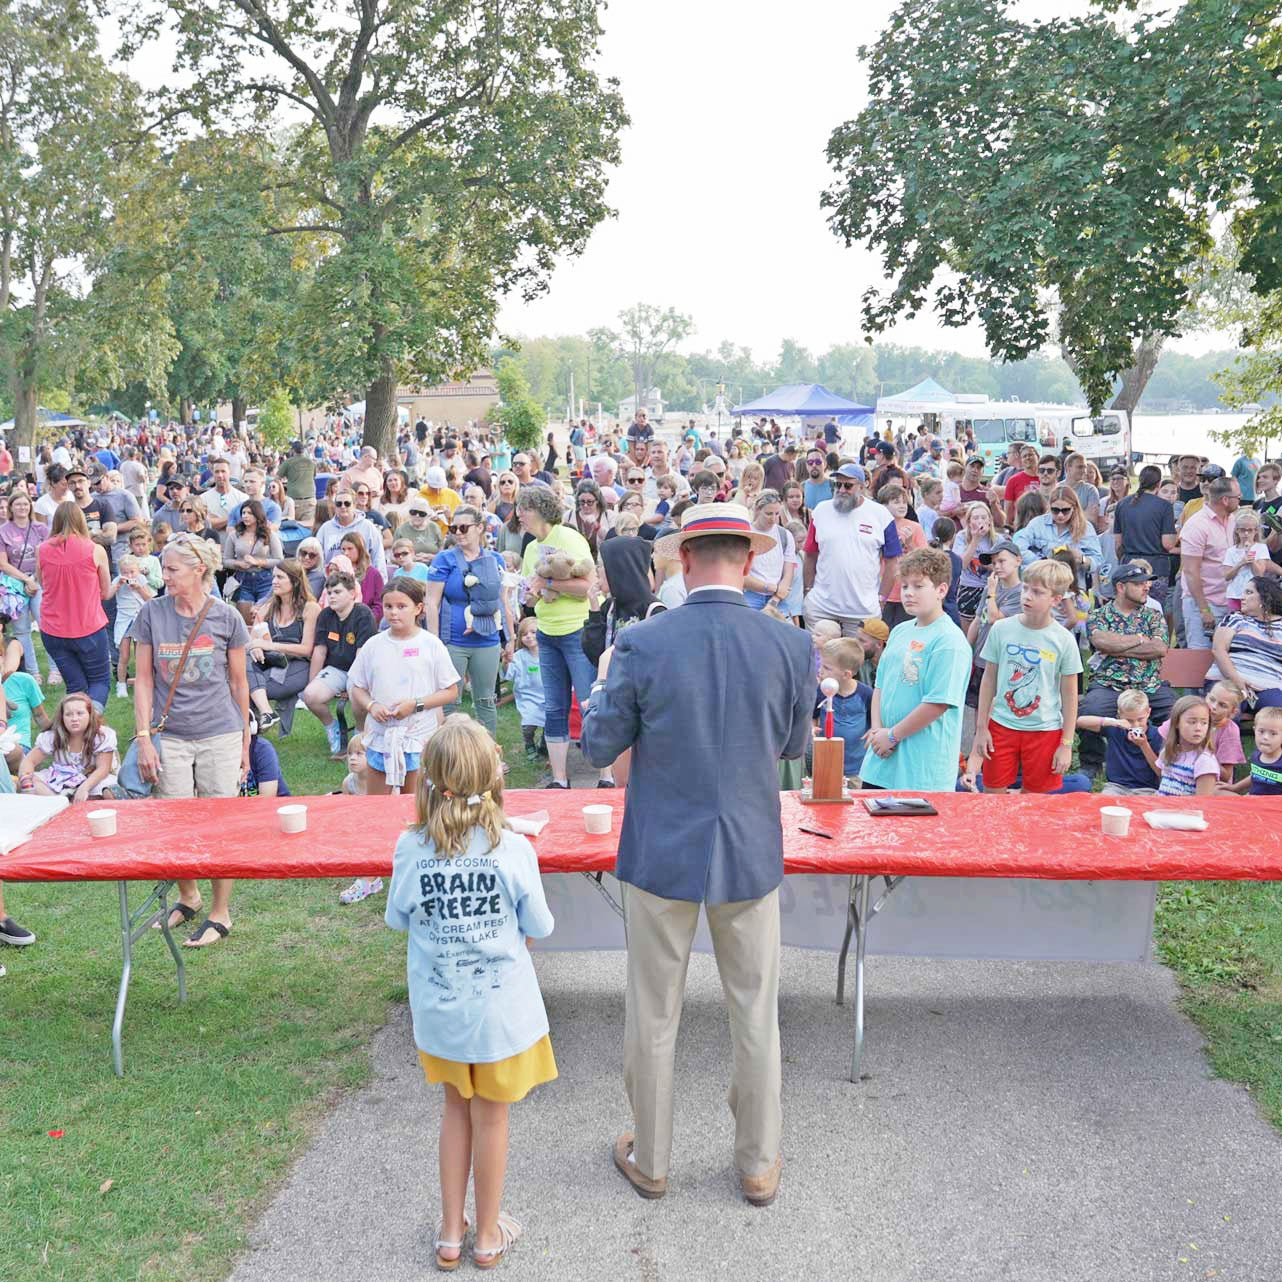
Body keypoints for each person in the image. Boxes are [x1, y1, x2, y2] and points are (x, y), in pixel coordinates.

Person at [580, 501, 813, 1208]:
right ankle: (758, 1162)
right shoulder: (790, 644)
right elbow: (795, 748)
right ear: (748, 561)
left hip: (663, 845)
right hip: (748, 846)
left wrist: (602, 685)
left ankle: (652, 1160)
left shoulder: (646, 642)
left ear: (684, 559)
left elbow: (599, 745)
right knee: (755, 1010)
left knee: (653, 1011)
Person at [385, 715, 554, 1269]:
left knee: (454, 1111)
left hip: (441, 1013)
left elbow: (398, 920)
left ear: (429, 780)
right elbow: (542, 925)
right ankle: (486, 1235)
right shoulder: (512, 850)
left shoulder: (411, 848)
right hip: (499, 1016)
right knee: (492, 1118)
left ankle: (450, 1234)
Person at [133, 534, 251, 948]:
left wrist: (244, 743)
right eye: (163, 568)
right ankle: (189, 895)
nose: (163, 576)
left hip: (221, 731)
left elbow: (240, 684)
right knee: (174, 823)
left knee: (221, 824)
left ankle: (221, 912)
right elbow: (142, 679)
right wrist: (144, 736)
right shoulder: (151, 613)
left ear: (199, 569)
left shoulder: (227, 617)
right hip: (171, 735)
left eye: (171, 569)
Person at [861, 547, 972, 793]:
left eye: (919, 586)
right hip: (881, 762)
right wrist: (879, 729)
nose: (909, 593)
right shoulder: (900, 630)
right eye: (905, 586)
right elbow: (881, 684)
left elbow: (938, 703)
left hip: (921, 769)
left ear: (941, 590)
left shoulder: (949, 641)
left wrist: (893, 735)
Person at [965, 560, 1082, 793]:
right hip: (1001, 724)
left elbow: (1070, 696)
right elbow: (988, 680)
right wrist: (981, 728)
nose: (1027, 596)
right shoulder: (1001, 629)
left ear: (1055, 600)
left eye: (1037, 592)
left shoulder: (1063, 640)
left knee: (1035, 803)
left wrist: (1066, 744)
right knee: (993, 793)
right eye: (1025, 588)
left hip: (1044, 729)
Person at [347, 576, 461, 794]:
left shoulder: (431, 645)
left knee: (414, 802)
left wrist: (415, 704)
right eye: (388, 606)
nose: (393, 612)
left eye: (401, 606)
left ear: (418, 608)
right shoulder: (374, 645)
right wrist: (371, 706)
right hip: (381, 735)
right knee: (377, 803)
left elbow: (450, 691)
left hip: (417, 736)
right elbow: (357, 686)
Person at [516, 485, 596, 789]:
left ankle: (606, 775)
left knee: (591, 704)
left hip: (577, 631)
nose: (520, 515)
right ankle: (560, 780)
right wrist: (529, 594)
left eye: (525, 508)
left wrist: (548, 581)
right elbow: (531, 596)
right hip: (547, 633)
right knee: (554, 707)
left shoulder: (570, 538)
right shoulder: (530, 547)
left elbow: (585, 586)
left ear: (541, 510)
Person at [1077, 563, 1176, 771]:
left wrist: (1117, 648)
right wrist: (1140, 639)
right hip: (1108, 684)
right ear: (1121, 587)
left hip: (1149, 685)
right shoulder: (1099, 615)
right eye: (1139, 583)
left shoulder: (1153, 615)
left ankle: (1170, 763)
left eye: (1147, 582)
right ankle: (1091, 764)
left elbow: (1159, 648)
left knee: (1175, 714)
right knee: (1091, 709)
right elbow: (1102, 642)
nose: (1147, 587)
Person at [425, 505, 510, 738]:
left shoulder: (495, 559)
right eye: (454, 528)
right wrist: (434, 642)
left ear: (480, 528)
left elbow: (502, 602)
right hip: (452, 640)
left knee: (485, 700)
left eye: (464, 527)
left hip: (487, 638)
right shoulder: (444, 559)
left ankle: (488, 755)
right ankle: (447, 755)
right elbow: (431, 602)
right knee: (449, 699)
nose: (458, 532)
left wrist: (508, 639)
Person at [802, 464, 902, 636]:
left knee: (856, 661)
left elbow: (893, 562)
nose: (841, 490)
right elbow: (810, 554)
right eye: (837, 485)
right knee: (819, 659)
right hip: (821, 607)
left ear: (862, 488)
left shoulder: (881, 515)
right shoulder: (820, 511)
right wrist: (808, 592)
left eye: (848, 485)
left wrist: (881, 598)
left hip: (862, 610)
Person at [36, 502, 111, 709]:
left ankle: (75, 730)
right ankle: (90, 726)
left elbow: (43, 583)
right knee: (99, 681)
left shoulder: (41, 550)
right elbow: (105, 592)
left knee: (75, 685)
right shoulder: (95, 550)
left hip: (53, 630)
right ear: (81, 520)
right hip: (88, 628)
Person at [303, 571, 377, 757]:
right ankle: (333, 728)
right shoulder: (326, 615)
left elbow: (362, 658)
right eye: (329, 593)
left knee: (358, 697)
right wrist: (311, 682)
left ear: (352, 593)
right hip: (336, 669)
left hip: (360, 670)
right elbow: (320, 650)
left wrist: (351, 685)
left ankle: (360, 735)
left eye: (337, 592)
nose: (332, 596)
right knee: (311, 695)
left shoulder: (363, 614)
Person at [246, 561, 318, 735]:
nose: (274, 582)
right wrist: (254, 647)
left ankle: (257, 724)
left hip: (298, 665)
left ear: (294, 581)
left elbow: (307, 649)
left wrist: (269, 645)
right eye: (273, 577)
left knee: (249, 689)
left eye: (280, 577)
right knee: (243, 662)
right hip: (270, 661)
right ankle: (265, 715)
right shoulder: (268, 607)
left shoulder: (310, 609)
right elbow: (252, 639)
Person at [18, 691, 116, 800]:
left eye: (80, 713)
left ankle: (73, 804)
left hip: (91, 780)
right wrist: (26, 781)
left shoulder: (101, 736)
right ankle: (60, 803)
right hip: (59, 778)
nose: (74, 718)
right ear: (62, 717)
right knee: (30, 781)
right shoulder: (52, 736)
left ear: (90, 714)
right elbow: (29, 761)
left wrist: (84, 788)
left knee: (108, 791)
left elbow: (103, 768)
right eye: (68, 714)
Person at [1179, 476, 1240, 647]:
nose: (1240, 502)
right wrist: (1204, 610)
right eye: (1238, 498)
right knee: (1200, 659)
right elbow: (1191, 571)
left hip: (1228, 602)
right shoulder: (1197, 525)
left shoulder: (1233, 521)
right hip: (1203, 604)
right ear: (1225, 500)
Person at [1207, 576, 1282, 709]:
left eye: (1249, 592)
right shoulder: (1235, 618)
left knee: (1278, 713)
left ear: (1265, 598)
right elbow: (1218, 650)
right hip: (1228, 682)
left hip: (1268, 687)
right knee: (1223, 711)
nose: (1242, 598)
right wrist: (1237, 681)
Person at [1111, 465, 1177, 603]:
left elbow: (1118, 543)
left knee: (1129, 610)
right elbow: (1168, 544)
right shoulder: (1164, 506)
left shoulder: (1122, 504)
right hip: (1157, 568)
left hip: (1129, 566)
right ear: (1158, 484)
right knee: (1155, 612)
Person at [1077, 690, 1163, 796]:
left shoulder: (1158, 735)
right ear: (1119, 714)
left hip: (1147, 789)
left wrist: (1144, 745)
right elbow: (1081, 721)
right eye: (1129, 720)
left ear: (1148, 712)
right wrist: (1113, 722)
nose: (1135, 725)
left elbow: (1160, 771)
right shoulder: (1115, 729)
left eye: (1140, 719)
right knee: (1102, 805)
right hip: (1116, 787)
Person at [0, 490, 47, 676]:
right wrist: (26, 579)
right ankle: (33, 672)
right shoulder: (3, 531)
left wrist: (34, 579)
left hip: (39, 581)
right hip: (15, 585)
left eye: (25, 504)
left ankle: (55, 670)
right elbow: (3, 563)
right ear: (11, 507)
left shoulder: (40, 528)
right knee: (22, 630)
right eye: (18, 504)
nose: (22, 507)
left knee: (46, 626)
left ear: (30, 506)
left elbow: (47, 556)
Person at [1136, 694, 1218, 796]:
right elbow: (1163, 775)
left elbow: (1202, 802)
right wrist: (1144, 744)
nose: (1198, 728)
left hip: (1183, 811)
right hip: (1160, 808)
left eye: (1204, 722)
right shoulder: (1170, 751)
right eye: (1192, 722)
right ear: (1177, 723)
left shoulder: (1205, 762)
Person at [817, 637, 872, 780]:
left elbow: (875, 721)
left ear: (846, 674)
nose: (820, 671)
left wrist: (873, 731)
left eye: (827, 668)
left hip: (856, 768)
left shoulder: (865, 694)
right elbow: (812, 716)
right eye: (822, 665)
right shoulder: (820, 691)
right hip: (825, 764)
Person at [105, 551, 157, 699]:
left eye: (132, 572)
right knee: (124, 655)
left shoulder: (140, 579)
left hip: (139, 618)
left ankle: (143, 681)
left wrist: (139, 588)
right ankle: (121, 684)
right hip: (124, 620)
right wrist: (118, 586)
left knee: (141, 654)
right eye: (125, 572)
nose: (129, 575)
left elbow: (150, 599)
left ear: (138, 570)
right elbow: (107, 596)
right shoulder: (117, 581)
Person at [223, 499, 283, 624]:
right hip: (243, 580)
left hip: (265, 580)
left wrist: (258, 562)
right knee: (246, 621)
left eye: (249, 513)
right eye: (243, 512)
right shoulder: (234, 535)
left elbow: (279, 560)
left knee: (263, 620)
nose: (245, 516)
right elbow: (225, 560)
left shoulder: (269, 534)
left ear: (257, 515)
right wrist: (237, 564)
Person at [742, 491, 798, 612]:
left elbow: (788, 573)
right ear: (757, 510)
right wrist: (770, 588)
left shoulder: (785, 535)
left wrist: (775, 598)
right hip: (752, 595)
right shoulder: (746, 534)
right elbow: (741, 575)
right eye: (768, 514)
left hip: (777, 597)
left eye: (777, 514)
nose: (773, 519)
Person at [505, 616, 546, 760]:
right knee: (529, 724)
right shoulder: (518, 656)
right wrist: (506, 662)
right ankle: (529, 743)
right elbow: (508, 675)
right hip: (527, 696)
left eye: (533, 632)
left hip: (546, 696)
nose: (529, 636)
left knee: (550, 724)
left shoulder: (548, 655)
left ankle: (544, 744)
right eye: (524, 634)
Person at [1220, 704, 1282, 795]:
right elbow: (1254, 776)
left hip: (1273, 806)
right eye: (1261, 731)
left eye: (1273, 734)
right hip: (1253, 800)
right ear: (1254, 730)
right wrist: (1234, 787)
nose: (1265, 737)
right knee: (1215, 792)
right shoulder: (1257, 755)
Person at [1223, 511, 1272, 611]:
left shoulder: (1261, 548)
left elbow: (1259, 574)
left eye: (1250, 530)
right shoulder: (1231, 551)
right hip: (1234, 595)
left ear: (1256, 531)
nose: (1246, 533)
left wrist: (1251, 559)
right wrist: (1240, 563)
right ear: (1237, 531)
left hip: (1254, 596)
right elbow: (1227, 576)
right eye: (1242, 530)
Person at [338, 529, 385, 622]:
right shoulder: (337, 573)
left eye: (350, 549)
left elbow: (380, 604)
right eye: (343, 549)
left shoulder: (373, 574)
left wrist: (367, 619)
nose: (346, 553)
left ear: (359, 549)